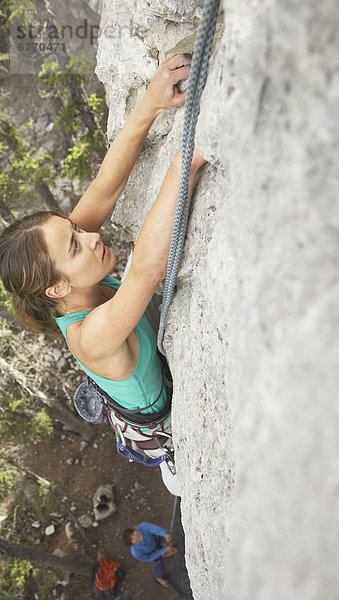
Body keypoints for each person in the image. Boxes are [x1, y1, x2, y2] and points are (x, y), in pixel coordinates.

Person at [0, 54, 206, 494]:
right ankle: (170, 463)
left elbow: (105, 188)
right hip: (158, 418)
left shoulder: (73, 273)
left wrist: (151, 102)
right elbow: (146, 272)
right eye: (75, 244)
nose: (89, 237)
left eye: (74, 228)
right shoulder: (89, 337)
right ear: (58, 286)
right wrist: (185, 161)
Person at [122, 522, 177, 589]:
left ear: (134, 529)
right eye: (132, 539)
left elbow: (156, 529)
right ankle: (158, 579)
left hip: (156, 541)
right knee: (160, 569)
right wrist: (164, 550)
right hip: (151, 554)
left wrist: (165, 534)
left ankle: (164, 553)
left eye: (133, 533)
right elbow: (149, 557)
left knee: (168, 541)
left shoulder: (143, 527)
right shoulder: (136, 552)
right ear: (132, 544)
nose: (135, 537)